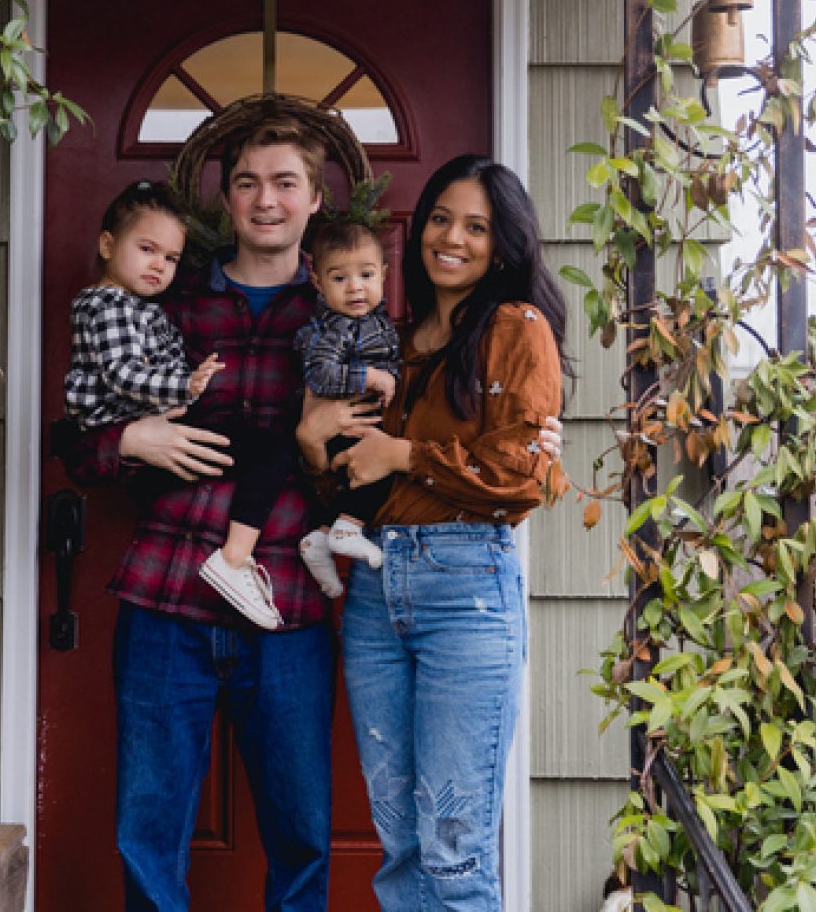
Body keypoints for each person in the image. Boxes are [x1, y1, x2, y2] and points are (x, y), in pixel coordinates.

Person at [54, 115, 333, 912]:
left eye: (285, 183)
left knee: (303, 836)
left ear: (313, 199)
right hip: (166, 599)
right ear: (228, 200)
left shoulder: (339, 315)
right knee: (148, 834)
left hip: (286, 606)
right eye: (247, 183)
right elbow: (79, 444)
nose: (266, 200)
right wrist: (131, 439)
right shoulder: (167, 303)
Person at [296, 155, 571, 911]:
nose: (453, 238)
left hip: (466, 594)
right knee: (402, 848)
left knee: (454, 853)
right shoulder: (394, 341)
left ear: (506, 245)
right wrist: (317, 448)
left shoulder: (517, 329)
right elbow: (357, 482)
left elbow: (528, 476)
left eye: (476, 227)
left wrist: (407, 453)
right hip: (377, 593)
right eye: (442, 220)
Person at [63, 180, 289, 630]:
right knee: (270, 450)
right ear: (108, 245)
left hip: (166, 436)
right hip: (142, 443)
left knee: (261, 446)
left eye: (169, 258)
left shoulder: (143, 306)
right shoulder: (110, 305)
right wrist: (183, 388)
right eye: (147, 249)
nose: (159, 266)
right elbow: (122, 375)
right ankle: (234, 559)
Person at [292, 219, 400, 598]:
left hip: (354, 423)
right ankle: (348, 528)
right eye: (340, 279)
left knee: (352, 478)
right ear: (318, 282)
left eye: (366, 275)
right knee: (379, 473)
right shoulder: (338, 327)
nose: (355, 287)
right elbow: (320, 373)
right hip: (341, 423)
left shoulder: (371, 321)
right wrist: (369, 377)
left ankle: (320, 538)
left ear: (384, 275)